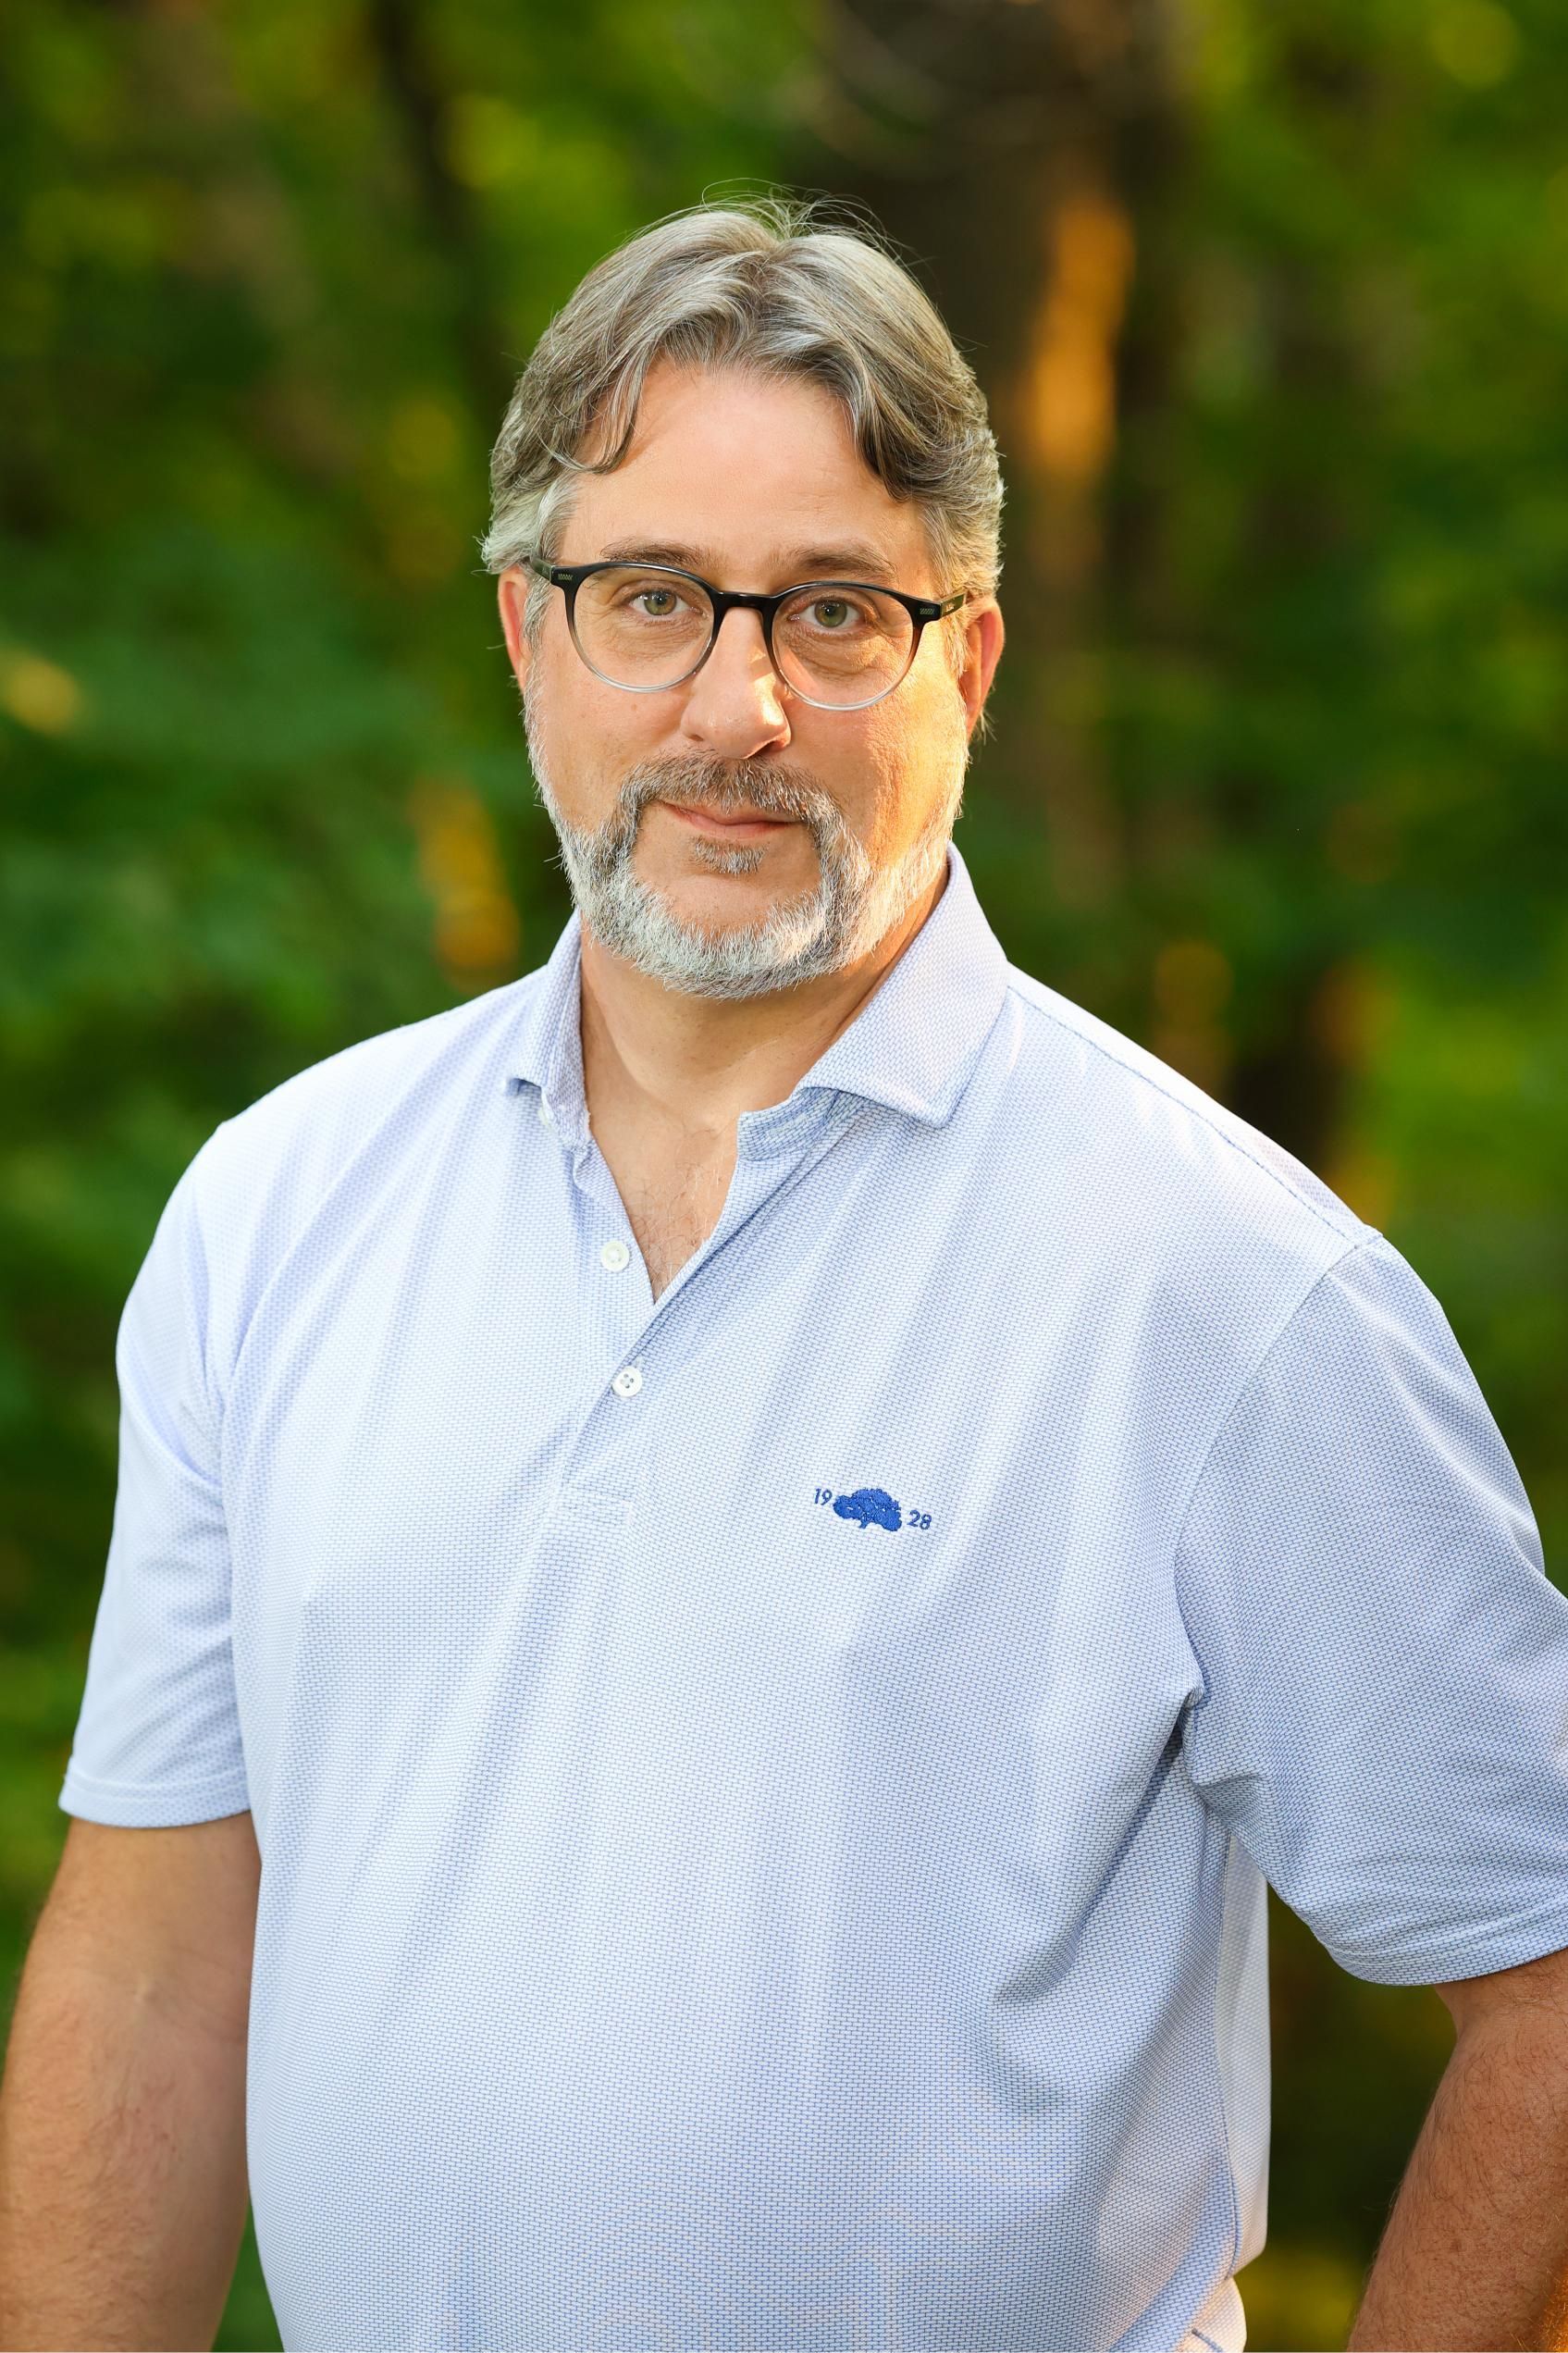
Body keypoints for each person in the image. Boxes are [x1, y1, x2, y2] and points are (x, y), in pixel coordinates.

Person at [2, 196, 1567, 2353]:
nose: (736, 705)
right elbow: (158, 1963)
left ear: (969, 664)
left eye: (835, 613)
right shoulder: (280, 1207)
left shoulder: (1221, 1289)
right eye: (649, 595)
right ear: (525, 635)